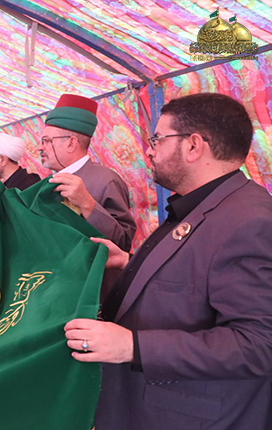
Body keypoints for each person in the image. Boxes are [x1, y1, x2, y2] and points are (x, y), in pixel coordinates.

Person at [64, 93, 272, 430]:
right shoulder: (206, 204)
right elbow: (199, 276)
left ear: (193, 146)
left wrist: (132, 346)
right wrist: (129, 264)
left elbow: (258, 344)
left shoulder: (249, 221)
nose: (149, 150)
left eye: (158, 139)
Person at [40, 94, 136, 251]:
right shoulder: (50, 181)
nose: (40, 147)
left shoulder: (106, 181)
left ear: (71, 143)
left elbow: (123, 242)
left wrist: (87, 204)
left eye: (47, 141)